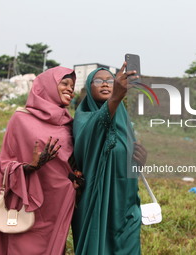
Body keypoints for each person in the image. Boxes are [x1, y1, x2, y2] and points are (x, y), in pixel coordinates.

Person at [0, 66, 82, 255]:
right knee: (23, 245)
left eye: (72, 86)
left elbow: (72, 159)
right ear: (47, 86)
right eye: (64, 83)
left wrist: (77, 174)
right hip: (28, 196)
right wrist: (28, 167)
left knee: (53, 247)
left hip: (59, 199)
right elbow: (5, 162)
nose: (70, 89)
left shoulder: (69, 123)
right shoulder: (21, 119)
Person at [72, 63, 147, 254]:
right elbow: (95, 131)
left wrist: (139, 160)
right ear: (89, 87)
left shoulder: (123, 120)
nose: (105, 84)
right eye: (98, 81)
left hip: (125, 203)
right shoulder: (83, 118)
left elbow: (127, 159)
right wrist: (116, 97)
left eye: (109, 81)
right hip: (96, 202)